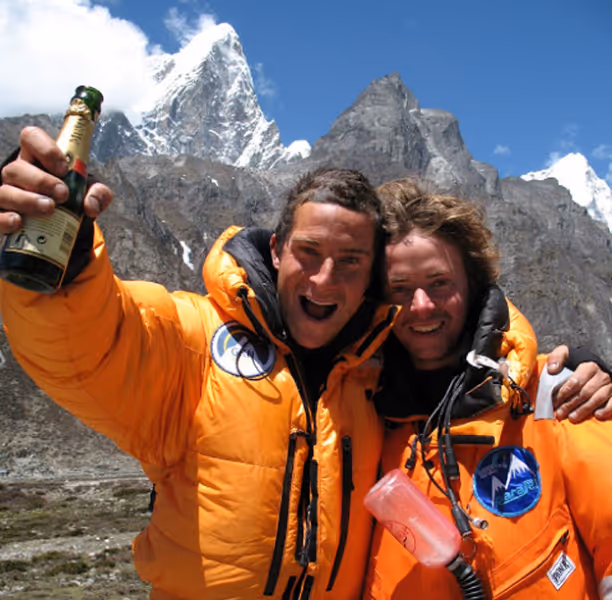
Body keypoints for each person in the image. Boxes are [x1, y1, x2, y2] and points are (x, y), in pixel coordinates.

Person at [0, 129, 610, 600]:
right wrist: (65, 266)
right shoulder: (194, 342)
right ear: (275, 248)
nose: (324, 278)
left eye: (350, 261)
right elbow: (92, 341)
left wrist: (576, 374)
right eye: (309, 252)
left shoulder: (392, 386)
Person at [363, 178, 612, 599]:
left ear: (474, 285)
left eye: (439, 282)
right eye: (399, 289)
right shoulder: (363, 411)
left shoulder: (551, 393)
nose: (421, 305)